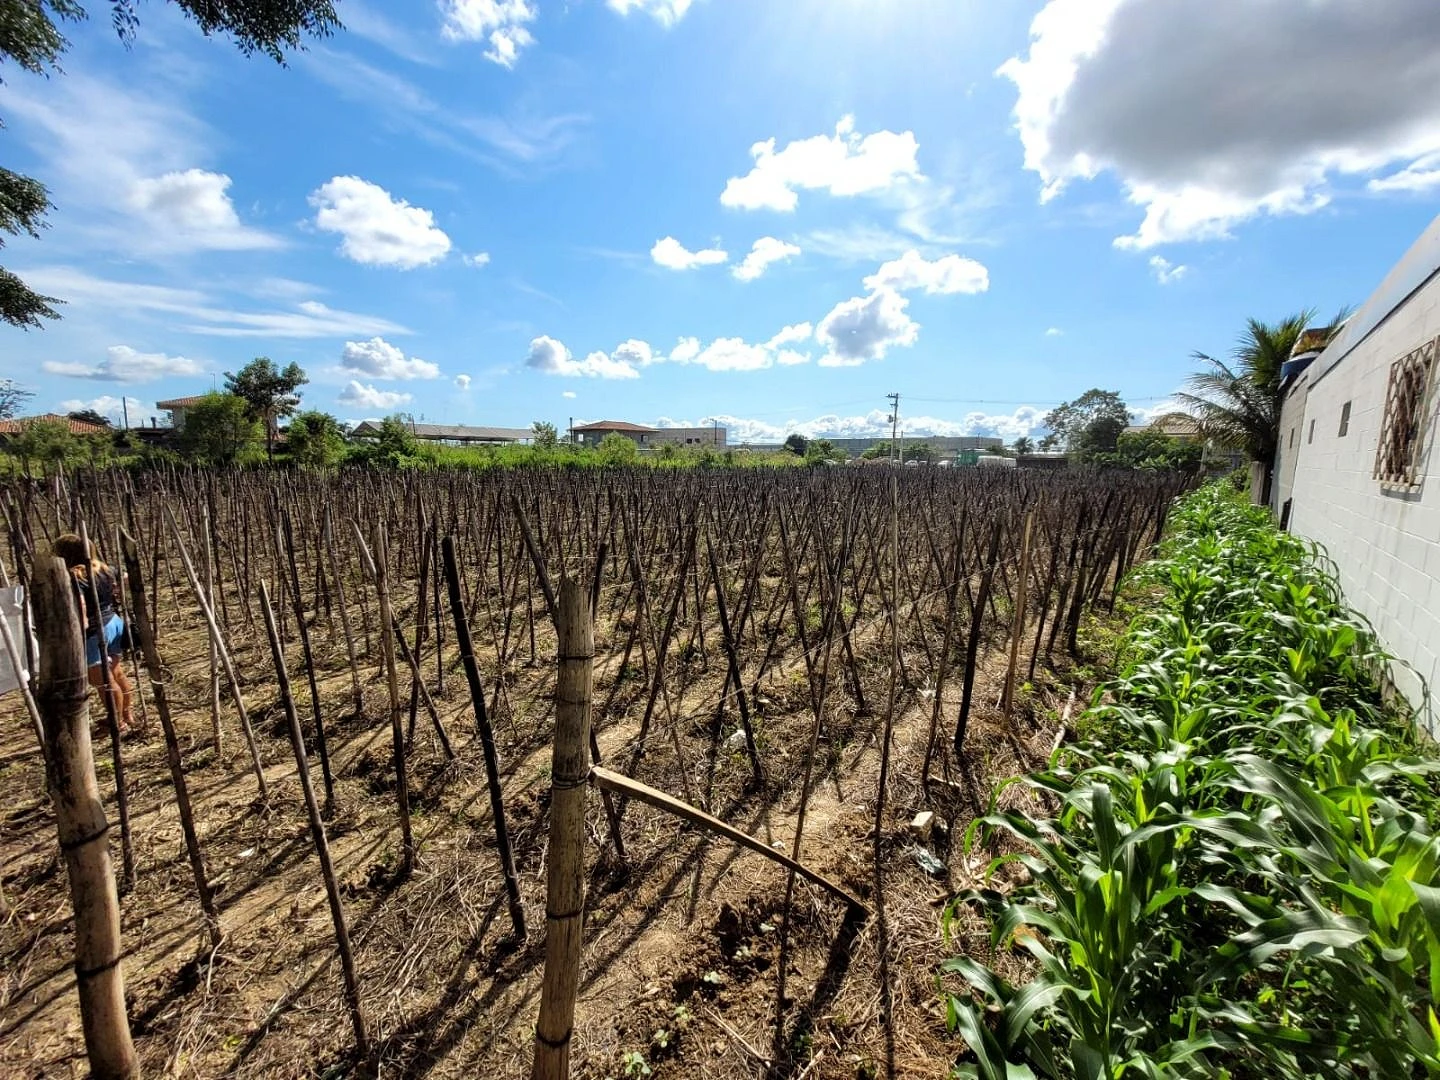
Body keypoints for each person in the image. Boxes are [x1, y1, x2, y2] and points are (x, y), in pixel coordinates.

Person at [52, 533, 135, 736]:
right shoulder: (105, 568)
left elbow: (80, 604)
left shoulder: (76, 575)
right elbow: (125, 577)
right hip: (114, 623)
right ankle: (127, 714)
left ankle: (116, 722)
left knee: (101, 679)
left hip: (96, 630)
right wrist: (115, 593)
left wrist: (81, 628)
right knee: (116, 672)